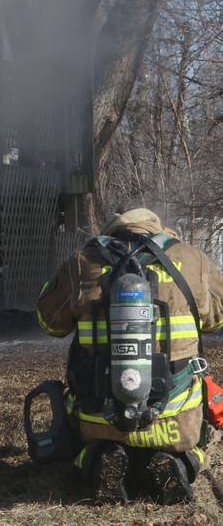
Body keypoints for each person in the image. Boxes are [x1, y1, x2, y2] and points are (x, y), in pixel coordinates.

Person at [36, 207, 223, 504]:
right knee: (195, 442)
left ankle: (98, 459)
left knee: (87, 446)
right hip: (175, 414)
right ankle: (179, 462)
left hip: (99, 415)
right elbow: (217, 320)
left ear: (112, 231)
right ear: (155, 228)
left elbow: (49, 323)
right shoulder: (192, 259)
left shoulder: (83, 262)